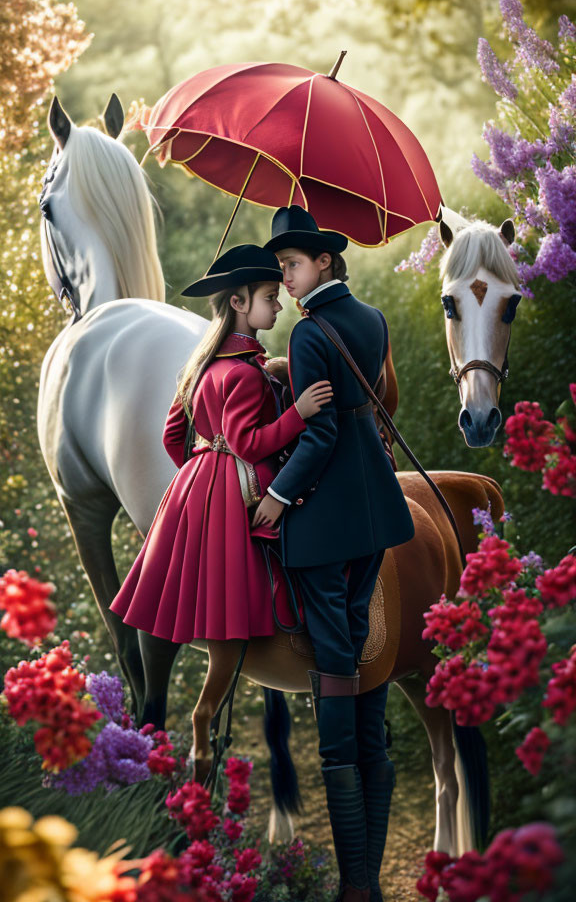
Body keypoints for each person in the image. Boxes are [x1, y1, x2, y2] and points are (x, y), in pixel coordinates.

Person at [254, 206, 415, 902]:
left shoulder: (309, 330)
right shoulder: (373, 319)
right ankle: (367, 878)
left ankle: (355, 881)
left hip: (321, 522)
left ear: (322, 262)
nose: (284, 280)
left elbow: (316, 440)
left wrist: (279, 498)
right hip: (377, 510)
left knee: (334, 665)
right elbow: (372, 406)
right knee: (359, 647)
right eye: (281, 270)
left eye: (290, 266)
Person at [109, 243, 332, 732]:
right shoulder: (247, 375)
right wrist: (299, 414)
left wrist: (201, 471)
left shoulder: (200, 367)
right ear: (238, 303)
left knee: (210, 579)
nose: (277, 306)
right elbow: (251, 444)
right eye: (270, 297)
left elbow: (173, 436)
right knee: (294, 541)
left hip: (196, 483)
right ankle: (313, 648)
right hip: (240, 484)